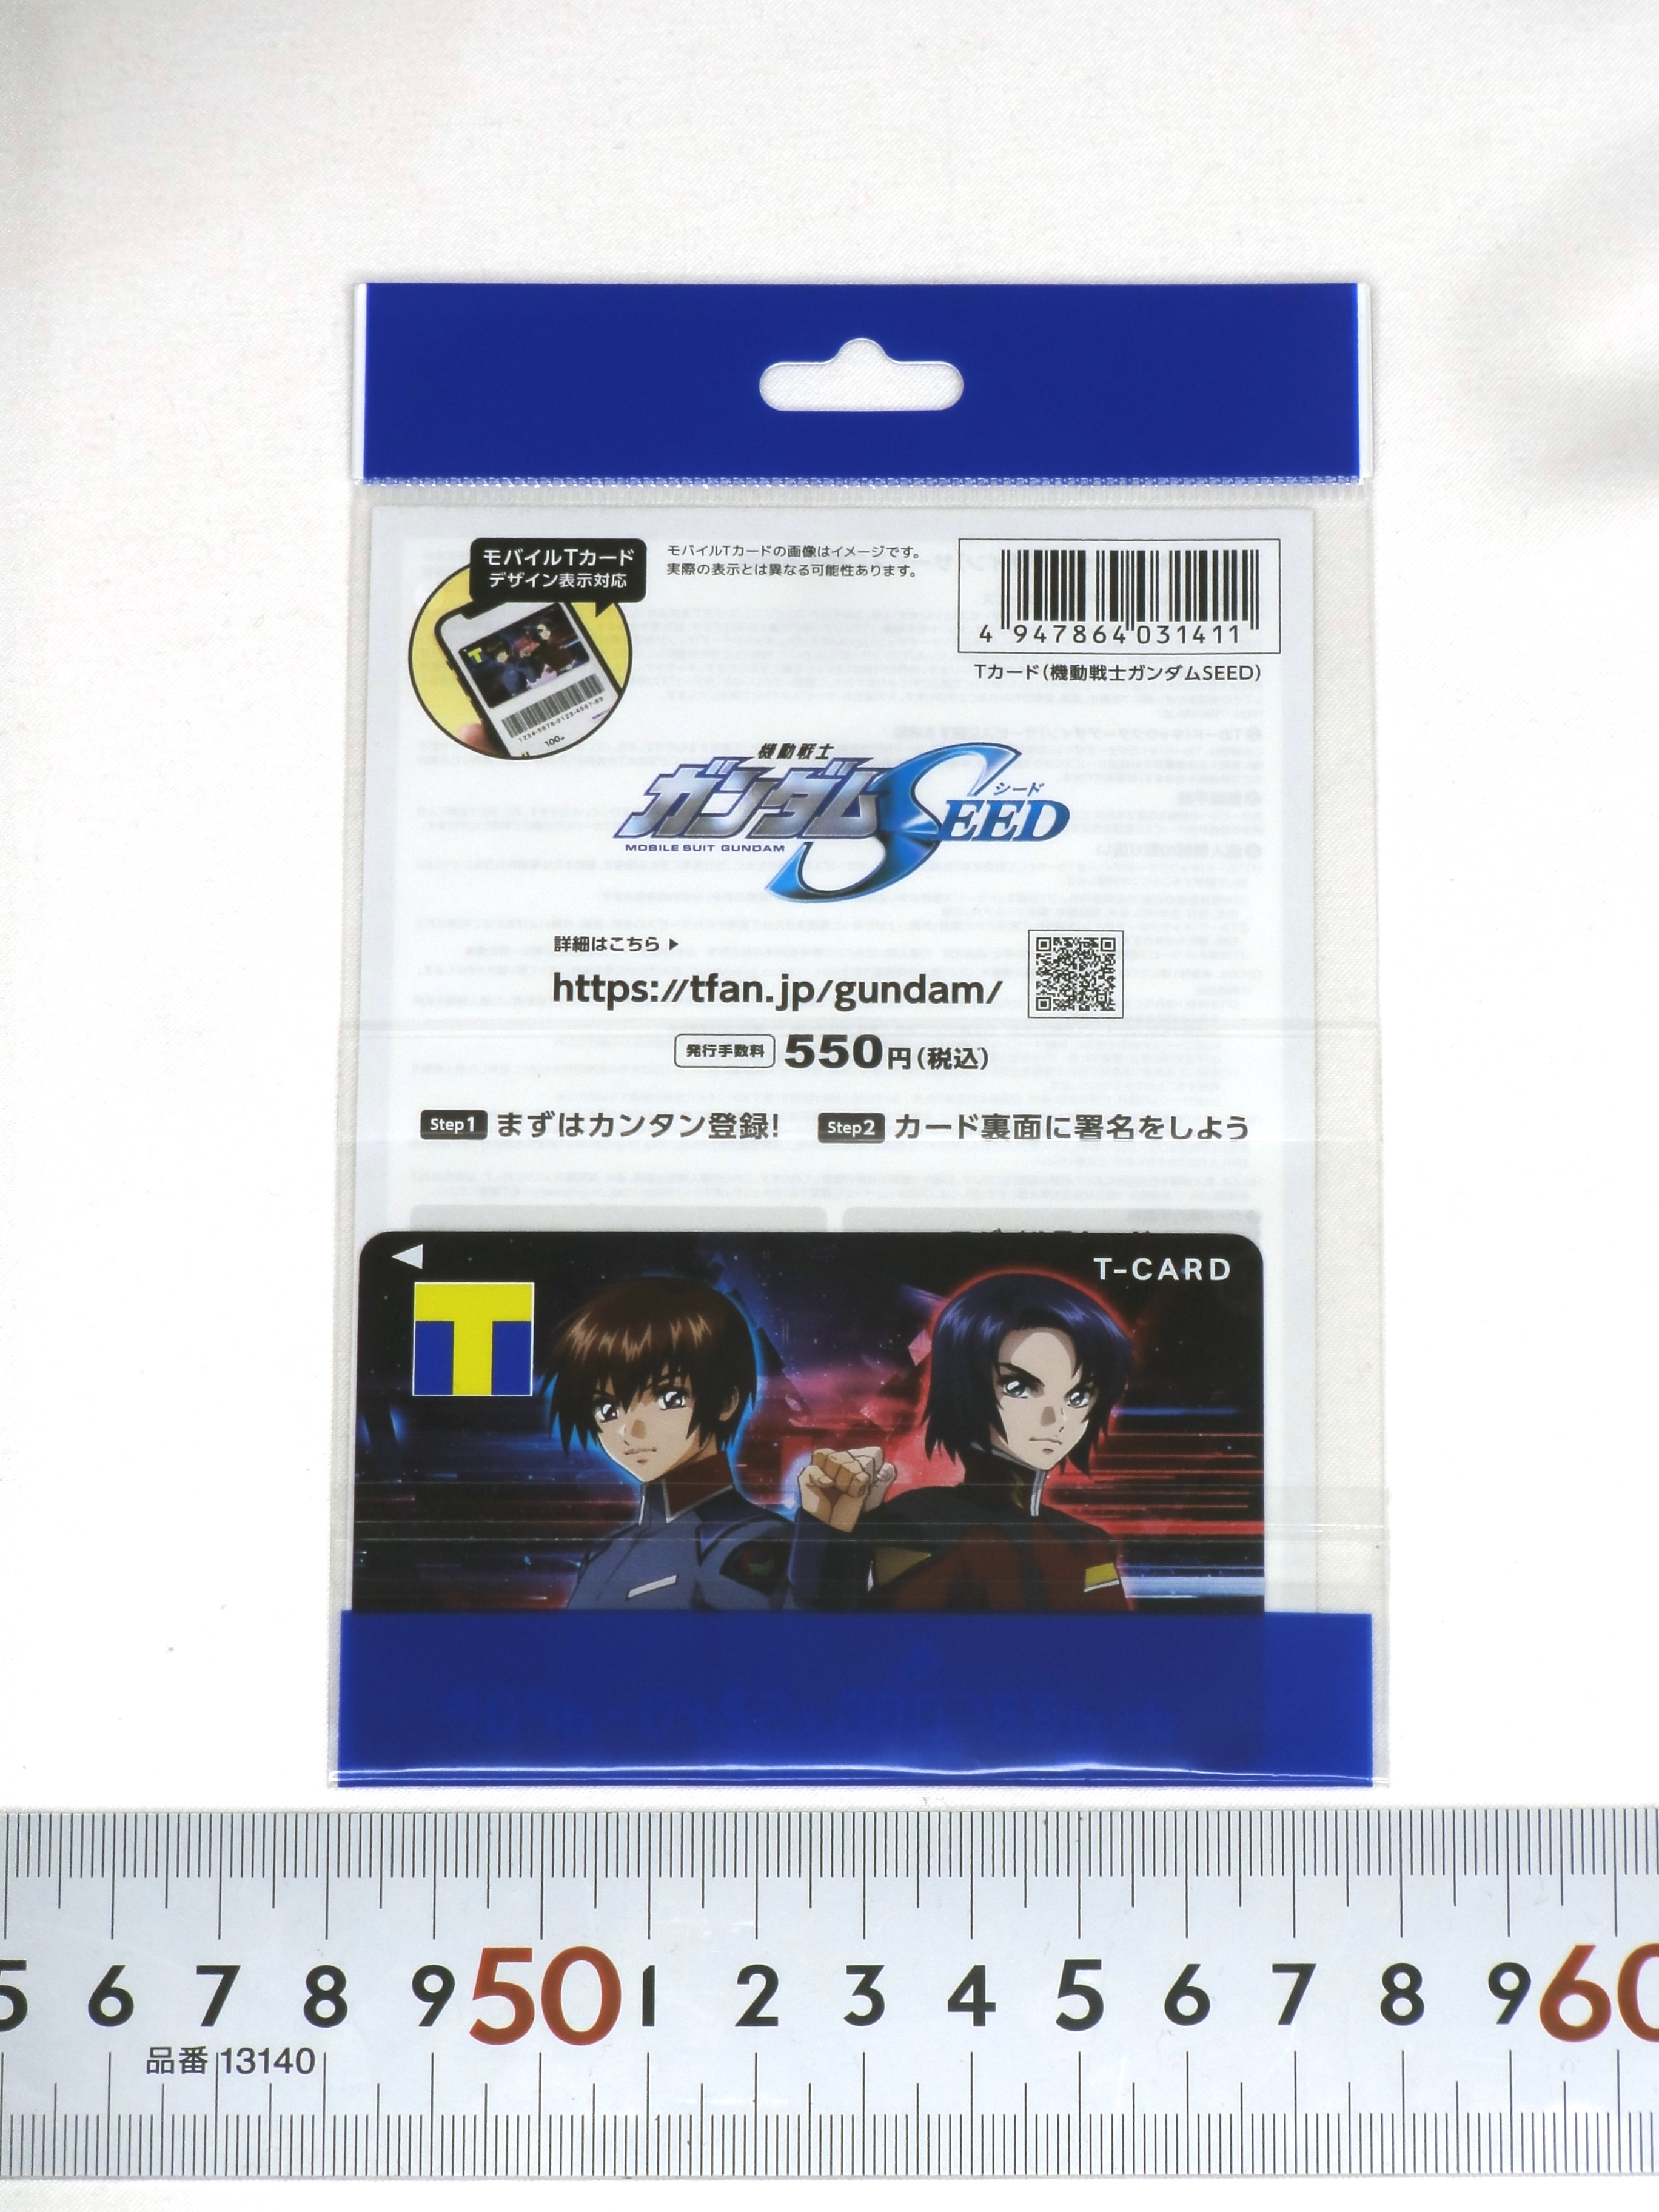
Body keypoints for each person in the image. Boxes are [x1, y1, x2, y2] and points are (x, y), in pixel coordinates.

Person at [789, 1272, 1133, 1611]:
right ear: (964, 1386)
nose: (1056, 1418)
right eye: (1019, 1387)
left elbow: (1114, 1639)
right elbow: (854, 1637)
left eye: (1078, 1397)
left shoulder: (1091, 1545)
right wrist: (829, 1533)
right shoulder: (922, 1523)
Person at [550, 1278, 793, 1609]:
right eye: (607, 1409)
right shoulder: (603, 1554)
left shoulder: (749, 1540)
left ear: (725, 1402)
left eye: (669, 1398)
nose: (630, 1430)